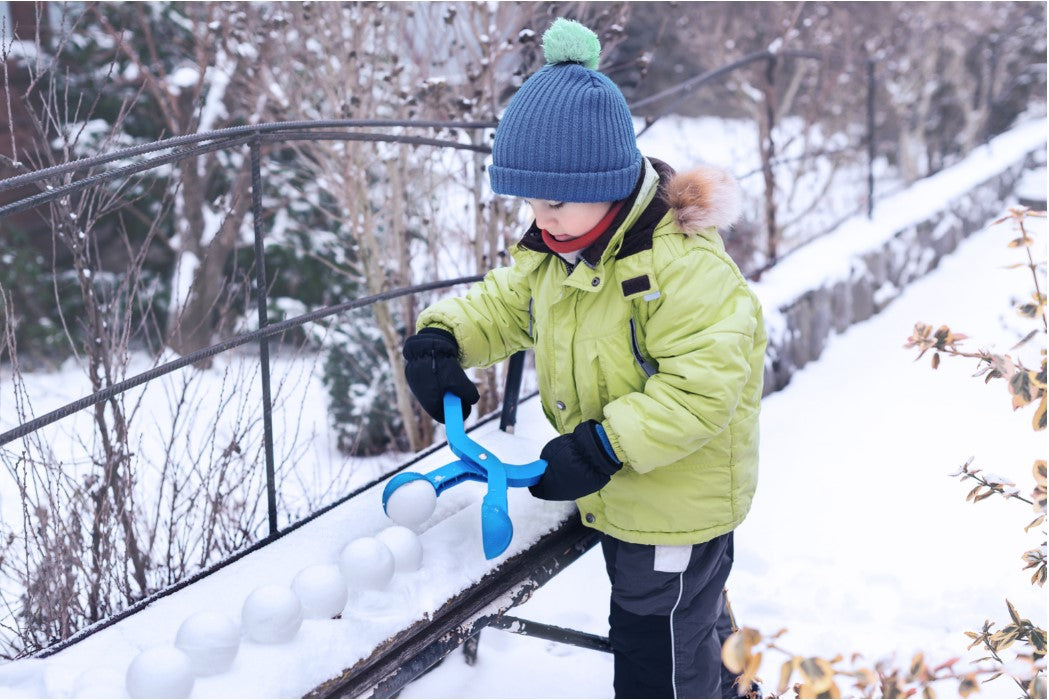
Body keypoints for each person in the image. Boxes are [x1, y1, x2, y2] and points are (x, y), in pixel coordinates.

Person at [401, 17, 766, 700]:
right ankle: (733, 688)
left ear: (607, 179)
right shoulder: (560, 251)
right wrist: (443, 339)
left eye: (556, 200)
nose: (542, 217)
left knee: (654, 650)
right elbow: (507, 305)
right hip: (626, 490)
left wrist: (604, 444)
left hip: (673, 500)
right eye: (531, 201)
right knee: (687, 615)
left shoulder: (683, 270)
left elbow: (700, 390)